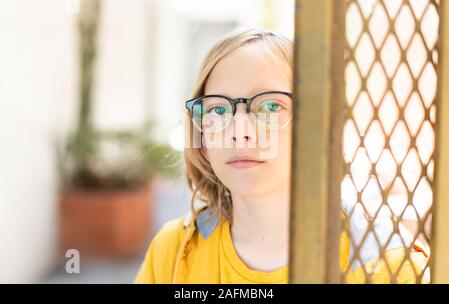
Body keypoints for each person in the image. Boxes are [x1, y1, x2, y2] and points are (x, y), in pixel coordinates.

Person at [135, 27, 429, 284]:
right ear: (202, 141)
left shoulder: (389, 268)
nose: (240, 132)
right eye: (218, 109)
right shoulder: (173, 252)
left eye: (270, 107)